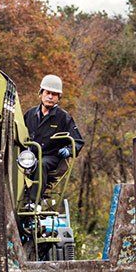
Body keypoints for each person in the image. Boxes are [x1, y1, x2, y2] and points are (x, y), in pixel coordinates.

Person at [22, 74, 84, 206]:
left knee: (41, 164)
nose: (50, 97)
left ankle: (34, 202)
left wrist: (68, 150)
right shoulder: (30, 114)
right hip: (29, 156)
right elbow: (19, 134)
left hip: (51, 157)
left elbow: (78, 141)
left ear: (58, 98)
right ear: (41, 93)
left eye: (54, 94)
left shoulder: (63, 117)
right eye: (47, 93)